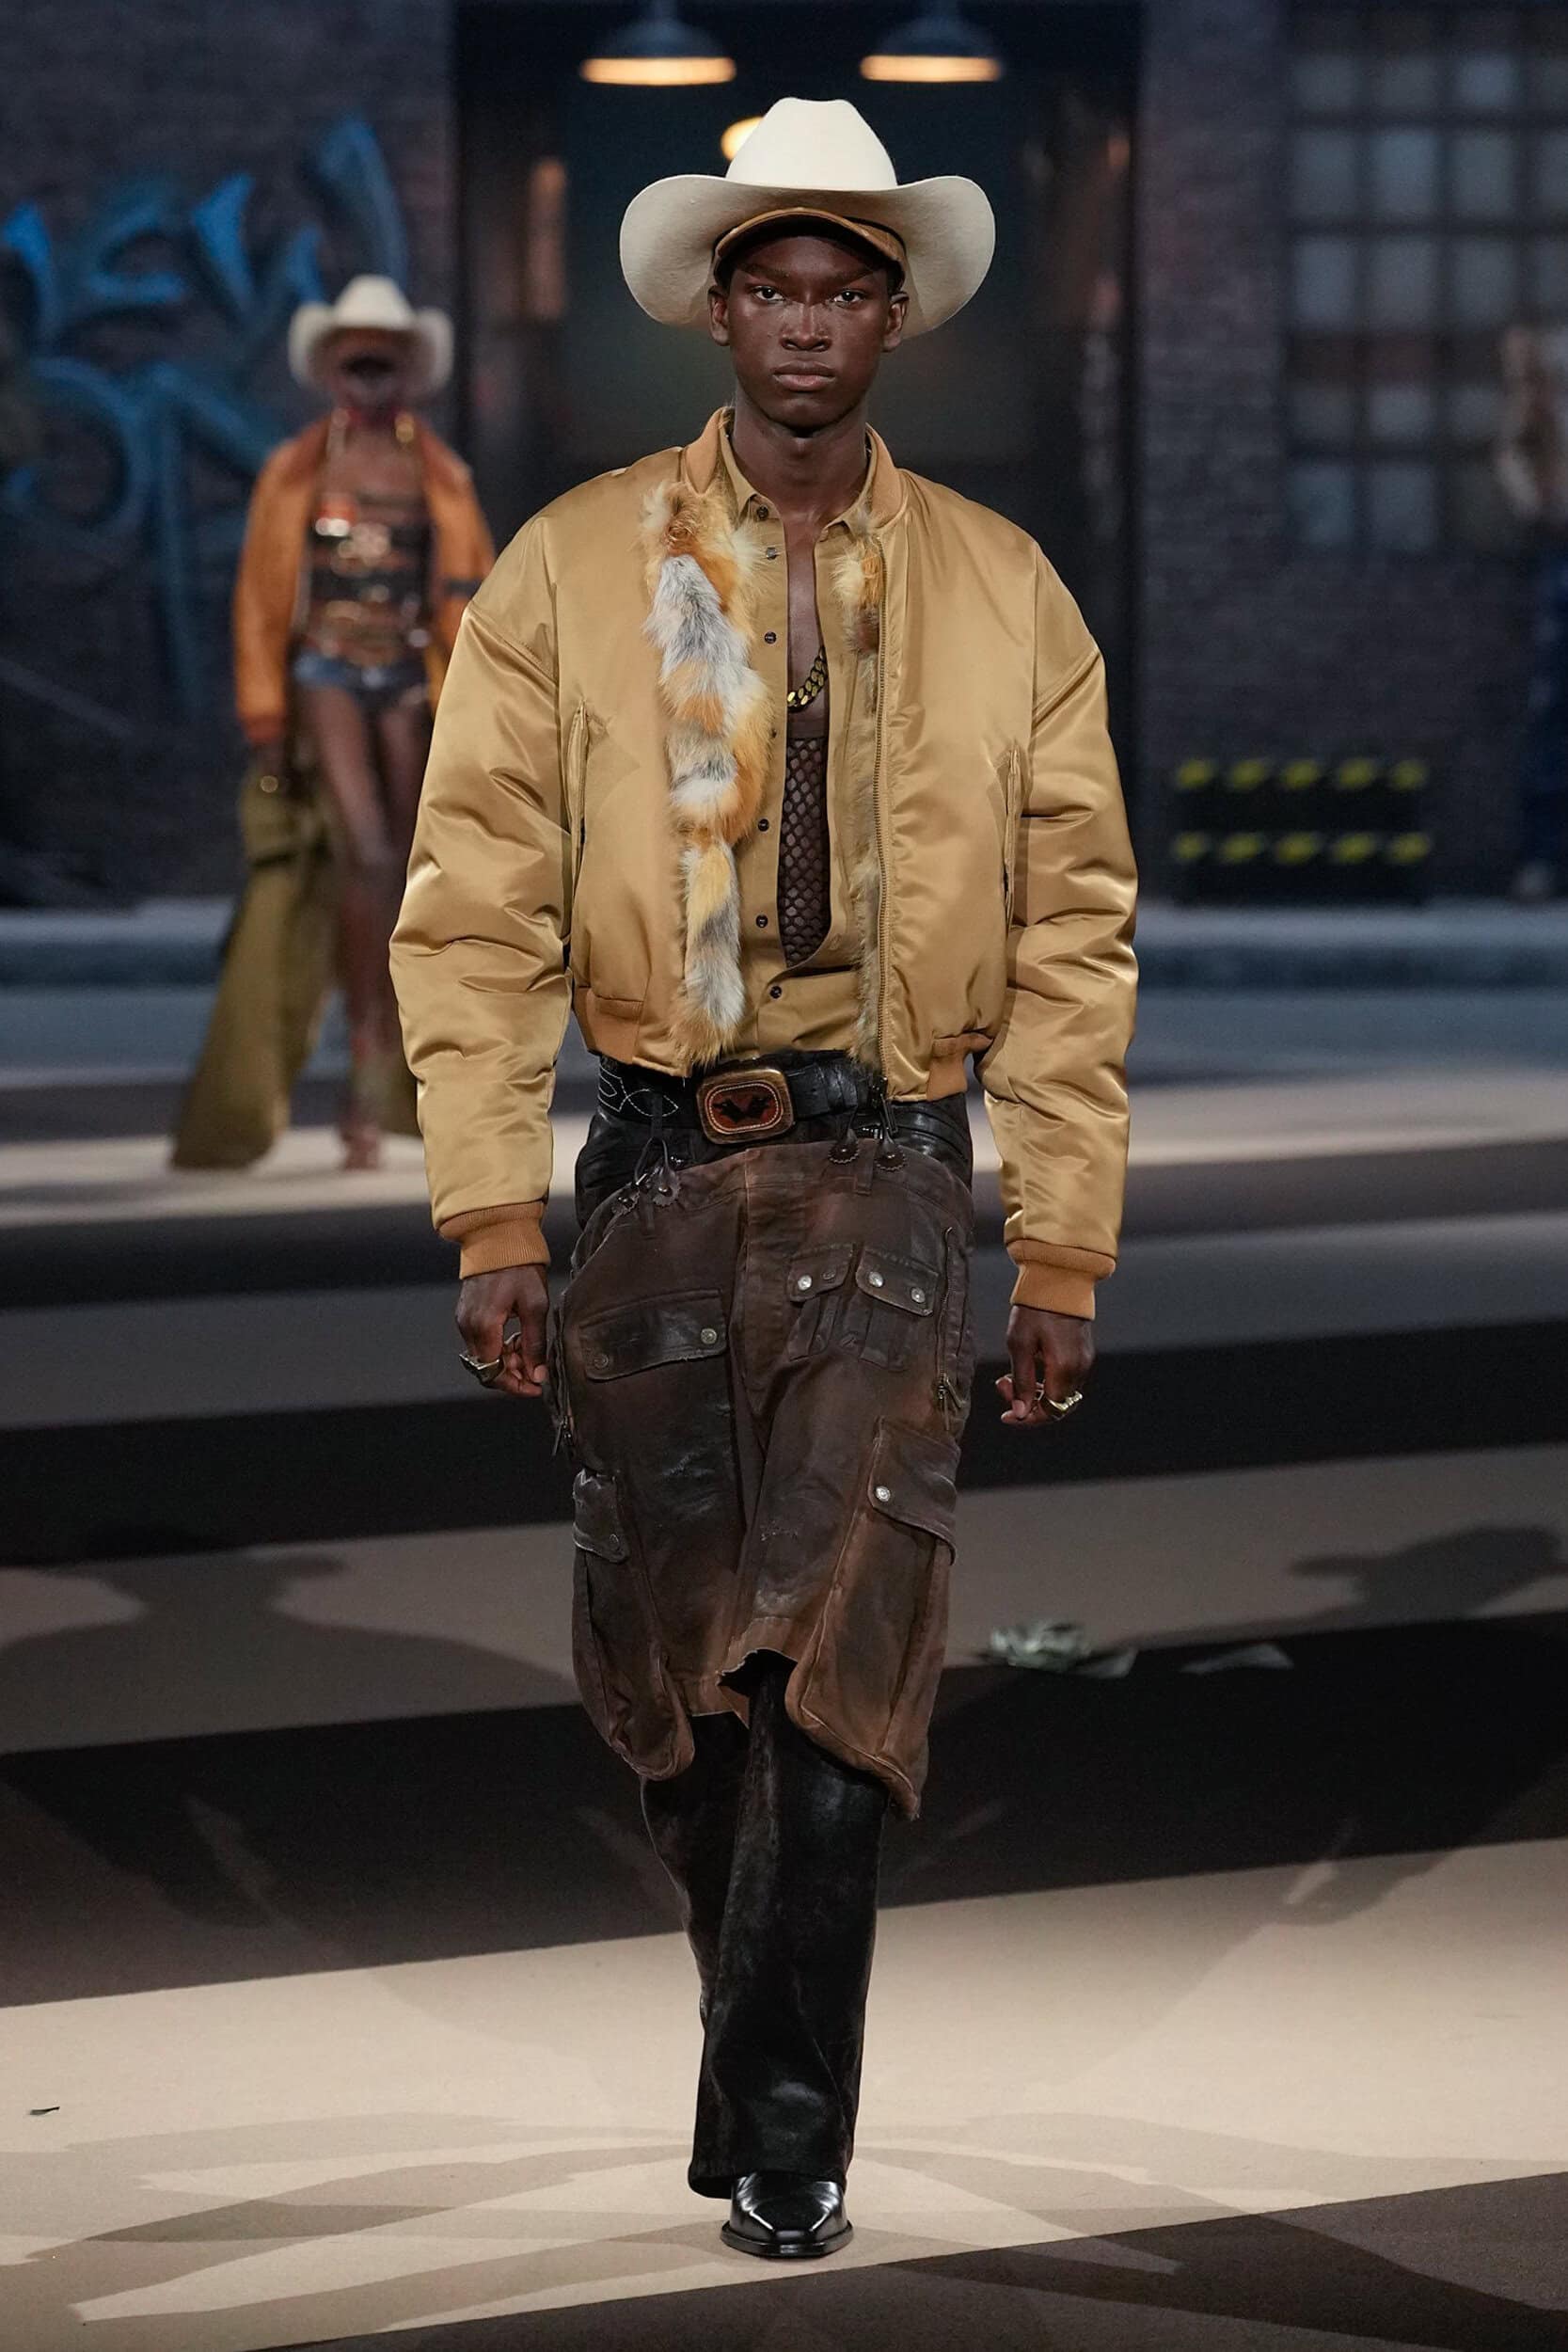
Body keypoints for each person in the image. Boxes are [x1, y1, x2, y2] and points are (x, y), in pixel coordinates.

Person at [392, 99, 1137, 2259]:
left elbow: (1072, 924)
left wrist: (1061, 1234)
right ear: (717, 312)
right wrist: (489, 1208)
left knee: (835, 1640)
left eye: (843, 290)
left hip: (886, 1162)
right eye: (772, 287)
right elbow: (475, 898)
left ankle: (792, 2129)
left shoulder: (1001, 588)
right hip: (646, 1158)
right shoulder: (567, 569)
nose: (807, 324)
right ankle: (760, 2059)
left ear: (891, 318)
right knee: (674, 1679)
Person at [173, 277, 493, 1170]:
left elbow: (473, 591)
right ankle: (362, 1073)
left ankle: (390, 1076)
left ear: (407, 373)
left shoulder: (441, 476)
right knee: (369, 854)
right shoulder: (294, 471)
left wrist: (478, 704)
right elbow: (259, 598)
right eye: (355, 366)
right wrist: (263, 715)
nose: (369, 381)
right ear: (331, 373)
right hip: (325, 669)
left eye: (383, 366)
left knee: (412, 873)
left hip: (410, 675)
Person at [1496, 322, 1568, 904]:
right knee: (1553, 704)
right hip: (1563, 548)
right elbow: (1512, 453)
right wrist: (1535, 504)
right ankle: (1542, 857)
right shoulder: (1542, 390)